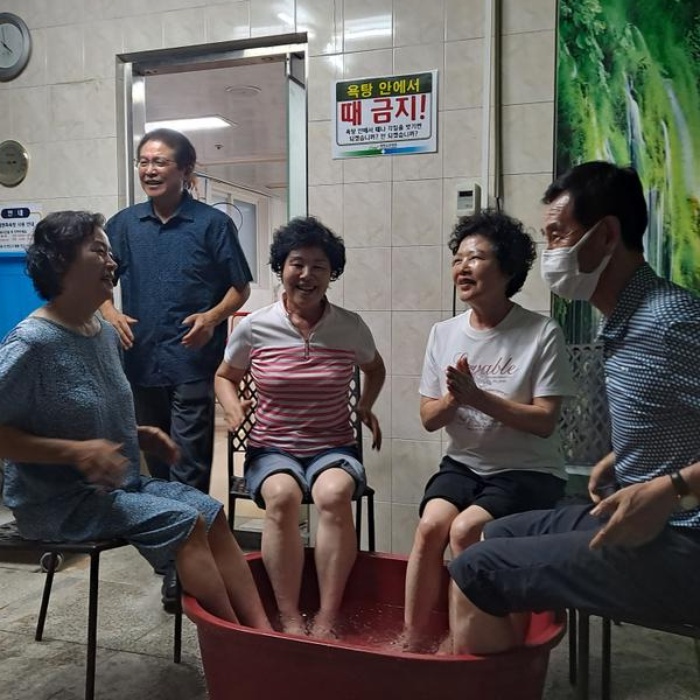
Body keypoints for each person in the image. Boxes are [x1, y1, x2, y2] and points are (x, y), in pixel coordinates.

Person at [447, 161, 700, 655]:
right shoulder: (625, 319)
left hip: (685, 539)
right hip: (640, 515)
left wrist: (671, 487)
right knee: (487, 534)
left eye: (558, 235)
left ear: (606, 235)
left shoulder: (671, 321)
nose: (550, 253)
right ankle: (508, 673)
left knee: (475, 571)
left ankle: (487, 682)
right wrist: (624, 456)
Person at [0, 211, 272, 630]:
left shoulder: (104, 334)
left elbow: (84, 411)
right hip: (59, 503)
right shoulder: (33, 343)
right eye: (99, 251)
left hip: (118, 488)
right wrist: (75, 452)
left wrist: (137, 435)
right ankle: (238, 643)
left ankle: (263, 632)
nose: (112, 262)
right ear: (60, 262)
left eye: (110, 252)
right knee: (184, 522)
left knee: (211, 512)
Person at [402, 210, 575, 652]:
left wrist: (479, 398)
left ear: (508, 269)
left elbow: (545, 421)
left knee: (465, 531)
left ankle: (467, 643)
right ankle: (411, 641)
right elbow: (429, 418)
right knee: (431, 526)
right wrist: (453, 400)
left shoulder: (540, 332)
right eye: (457, 259)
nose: (463, 268)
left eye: (476, 258)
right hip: (464, 464)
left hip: (527, 471)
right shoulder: (444, 333)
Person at [215, 216, 386, 639]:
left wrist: (365, 405)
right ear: (281, 267)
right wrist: (233, 409)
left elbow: (375, 368)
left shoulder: (350, 326)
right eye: (297, 263)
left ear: (332, 274)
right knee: (282, 496)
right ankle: (289, 614)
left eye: (319, 266)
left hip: (333, 446)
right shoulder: (255, 326)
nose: (307, 275)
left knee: (334, 494)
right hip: (272, 447)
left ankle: (328, 614)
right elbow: (224, 376)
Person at [100, 128, 252, 494]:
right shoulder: (122, 225)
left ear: (185, 169)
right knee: (156, 459)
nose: (149, 170)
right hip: (140, 359)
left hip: (192, 360)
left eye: (160, 162)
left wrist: (212, 317)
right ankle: (171, 527)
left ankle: (192, 524)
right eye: (144, 162)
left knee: (188, 463)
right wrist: (110, 313)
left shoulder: (212, 224)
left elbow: (240, 288)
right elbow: (98, 281)